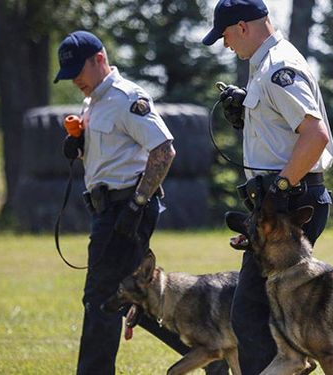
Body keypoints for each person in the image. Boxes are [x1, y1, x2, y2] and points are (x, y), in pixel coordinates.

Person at [202, 1, 333, 374]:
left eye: (225, 35)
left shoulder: (278, 66)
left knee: (250, 311)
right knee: (301, 304)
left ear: (243, 27)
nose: (225, 44)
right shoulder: (266, 65)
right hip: (285, 200)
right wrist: (246, 114)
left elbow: (315, 136)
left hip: (290, 201)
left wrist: (281, 187)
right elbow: (283, 132)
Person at [54, 31, 217, 374]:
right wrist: (78, 147)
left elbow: (164, 150)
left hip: (126, 207)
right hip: (107, 208)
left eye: (76, 72)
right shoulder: (93, 101)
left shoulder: (127, 97)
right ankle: (209, 354)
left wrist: (136, 205)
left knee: (100, 298)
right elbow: (112, 154)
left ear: (99, 58)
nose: (74, 81)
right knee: (132, 298)